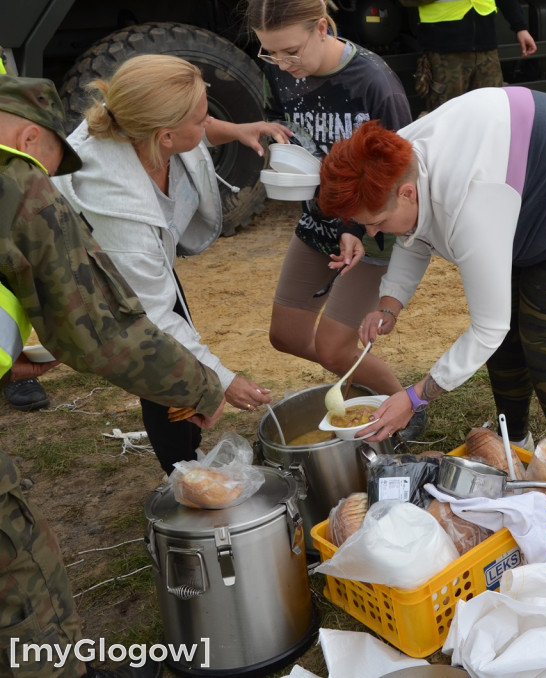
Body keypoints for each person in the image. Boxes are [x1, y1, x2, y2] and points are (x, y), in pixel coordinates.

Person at [1, 74, 226, 678]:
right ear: (26, 136)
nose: (53, 184)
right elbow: (101, 329)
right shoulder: (17, 182)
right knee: (20, 571)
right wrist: (207, 385)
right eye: (50, 167)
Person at [317, 86, 546, 460]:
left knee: (542, 334)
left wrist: (414, 397)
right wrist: (389, 305)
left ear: (408, 194)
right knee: (506, 335)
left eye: (377, 222)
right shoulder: (390, 161)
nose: (372, 233)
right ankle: (514, 442)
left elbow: (487, 329)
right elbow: (414, 235)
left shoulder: (472, 206)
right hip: (514, 177)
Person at [51, 55, 286, 475]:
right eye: (201, 119)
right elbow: (155, 318)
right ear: (165, 136)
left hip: (150, 262)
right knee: (162, 366)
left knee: (182, 352)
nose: (207, 123)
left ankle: (189, 449)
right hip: (106, 278)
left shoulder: (141, 124)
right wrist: (224, 380)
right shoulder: (119, 210)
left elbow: (196, 128)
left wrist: (236, 130)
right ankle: (183, 474)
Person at [244, 0, 426, 439]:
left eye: (291, 52)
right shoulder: (281, 71)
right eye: (271, 54)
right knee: (286, 335)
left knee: (331, 346)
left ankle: (408, 409)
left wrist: (353, 227)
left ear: (322, 28)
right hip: (316, 222)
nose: (283, 65)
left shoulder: (375, 82)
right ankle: (358, 378)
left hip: (373, 231)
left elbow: (398, 175)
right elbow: (289, 131)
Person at [412, 0, 537, 112]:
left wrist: (520, 27)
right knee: (447, 116)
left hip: (486, 48)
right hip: (445, 50)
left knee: (492, 111)